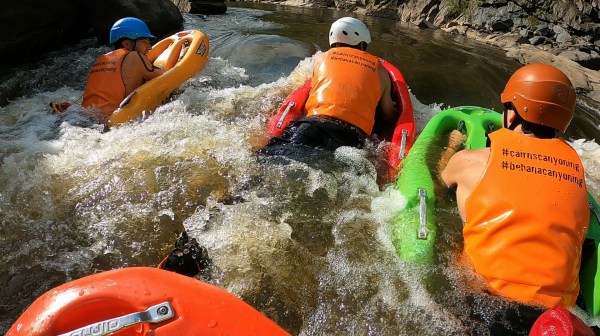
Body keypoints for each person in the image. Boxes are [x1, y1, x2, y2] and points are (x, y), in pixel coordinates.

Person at [440, 63, 590, 334]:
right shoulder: (576, 172)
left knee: (452, 245)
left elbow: (441, 181)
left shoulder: (469, 161)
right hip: (555, 318)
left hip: (486, 304)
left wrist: (453, 144)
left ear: (513, 114)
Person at [261, 17, 397, 153]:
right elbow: (388, 114)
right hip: (350, 138)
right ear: (362, 45)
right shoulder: (380, 70)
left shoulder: (320, 58)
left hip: (311, 125)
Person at [82, 17, 165, 123]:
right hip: (114, 121)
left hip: (87, 118)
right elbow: (167, 76)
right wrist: (181, 56)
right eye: (144, 42)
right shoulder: (135, 57)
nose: (149, 47)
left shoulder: (101, 60)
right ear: (126, 43)